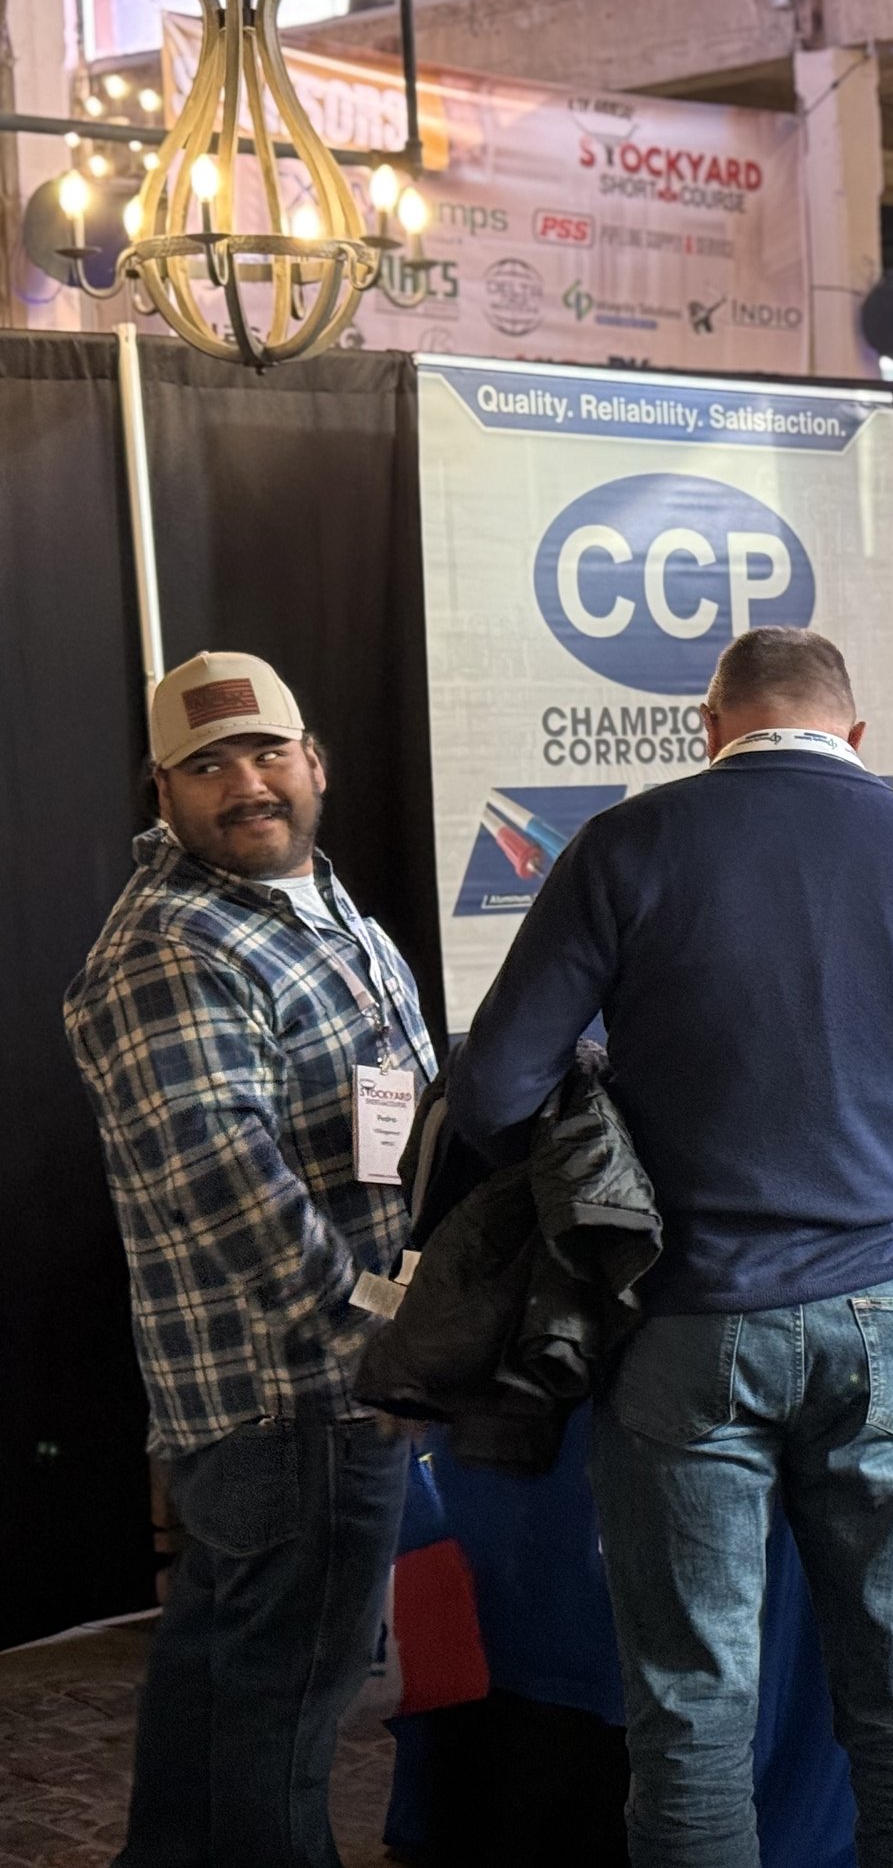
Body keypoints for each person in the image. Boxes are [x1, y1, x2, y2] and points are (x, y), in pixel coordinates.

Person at [450, 627, 893, 1868]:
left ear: (708, 727)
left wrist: (597, 1158)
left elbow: (492, 1093)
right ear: (856, 734)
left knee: (690, 1717)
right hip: (889, 1321)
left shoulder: (625, 845)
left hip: (685, 1321)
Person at [64, 652, 437, 1868]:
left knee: (225, 1683)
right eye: (207, 765)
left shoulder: (327, 912)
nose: (247, 783)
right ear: (162, 792)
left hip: (307, 1394)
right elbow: (225, 1183)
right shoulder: (177, 945)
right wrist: (374, 1344)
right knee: (281, 1721)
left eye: (267, 751)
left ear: (314, 762)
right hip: (293, 1400)